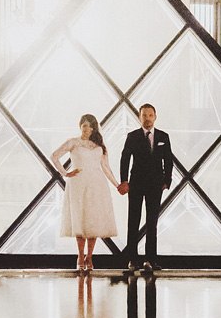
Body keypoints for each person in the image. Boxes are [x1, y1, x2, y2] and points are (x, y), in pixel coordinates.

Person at [51, 114, 118, 272]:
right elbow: (54, 156)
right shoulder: (73, 142)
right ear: (80, 125)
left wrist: (117, 185)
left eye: (91, 126)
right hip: (78, 183)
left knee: (92, 219)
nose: (88, 129)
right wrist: (65, 173)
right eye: (85, 125)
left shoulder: (99, 145)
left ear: (95, 128)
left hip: (96, 183)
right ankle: (81, 256)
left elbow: (106, 167)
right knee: (80, 218)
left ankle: (90, 256)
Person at [118, 102, 173, 273]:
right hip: (136, 183)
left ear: (155, 117)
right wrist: (124, 180)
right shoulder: (132, 136)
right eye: (144, 115)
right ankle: (132, 260)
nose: (147, 119)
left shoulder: (164, 137)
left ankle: (150, 260)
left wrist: (167, 180)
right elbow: (125, 159)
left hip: (156, 185)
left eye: (150, 115)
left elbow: (169, 160)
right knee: (133, 221)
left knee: (152, 222)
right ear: (139, 117)